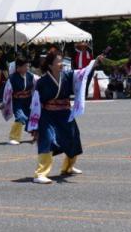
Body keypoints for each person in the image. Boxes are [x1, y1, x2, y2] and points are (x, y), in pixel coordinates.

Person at [29, 47, 97, 184]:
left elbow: (82, 74)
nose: (62, 64)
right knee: (47, 140)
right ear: (50, 65)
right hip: (48, 115)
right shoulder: (42, 82)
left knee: (73, 138)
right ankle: (40, 174)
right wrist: (35, 125)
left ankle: (68, 168)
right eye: (59, 62)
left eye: (62, 61)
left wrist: (93, 65)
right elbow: (36, 103)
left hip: (65, 113)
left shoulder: (68, 76)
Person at [0, 57, 36, 145]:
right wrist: (4, 102)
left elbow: (36, 87)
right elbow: (7, 92)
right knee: (20, 117)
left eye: (28, 66)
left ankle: (37, 136)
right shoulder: (12, 78)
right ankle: (14, 137)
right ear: (18, 67)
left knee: (34, 118)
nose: (27, 68)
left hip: (28, 101)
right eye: (25, 66)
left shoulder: (31, 76)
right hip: (18, 102)